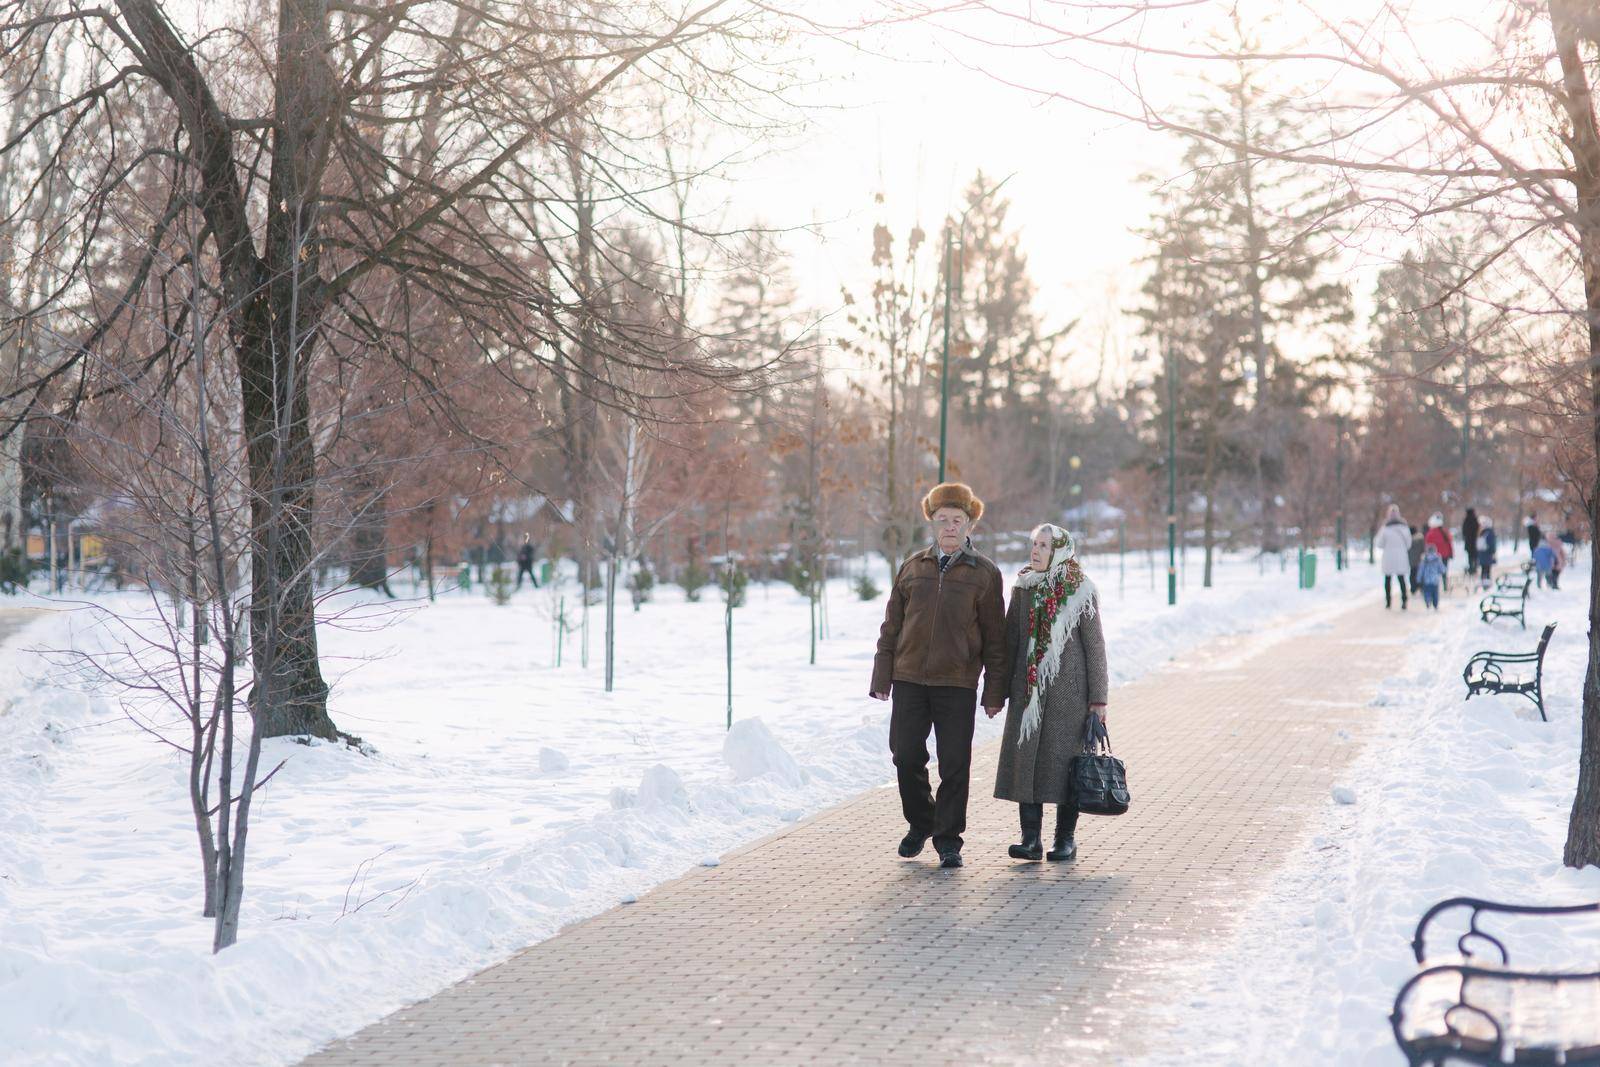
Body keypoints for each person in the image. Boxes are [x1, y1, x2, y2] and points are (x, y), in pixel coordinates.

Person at [871, 482, 1008, 869]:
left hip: (957, 683)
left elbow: (996, 638)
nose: (950, 526)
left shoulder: (984, 574)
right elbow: (891, 627)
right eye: (943, 519)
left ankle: (948, 839)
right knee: (906, 755)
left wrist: (994, 690)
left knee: (954, 764)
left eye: (957, 520)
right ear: (932, 523)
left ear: (970, 526)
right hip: (909, 679)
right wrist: (883, 677)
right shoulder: (913, 567)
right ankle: (922, 822)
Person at [993, 524, 1107, 863]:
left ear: (1060, 550)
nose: (1036, 551)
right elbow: (1010, 642)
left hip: (1068, 696)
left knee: (1064, 767)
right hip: (1028, 694)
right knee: (1027, 765)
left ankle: (1065, 841)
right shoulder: (1024, 587)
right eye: (1034, 544)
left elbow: (1095, 646)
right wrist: (998, 692)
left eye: (1044, 545)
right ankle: (1030, 841)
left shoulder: (1081, 590)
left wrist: (1098, 700)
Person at [1377, 504, 1412, 610]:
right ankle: (1404, 600)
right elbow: (1409, 543)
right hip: (1401, 557)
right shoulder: (1404, 528)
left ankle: (1388, 602)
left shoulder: (1385, 528)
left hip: (1388, 557)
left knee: (1388, 580)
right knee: (1401, 579)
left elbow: (1379, 543)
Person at [1424, 513, 1454, 592]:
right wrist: (1451, 553)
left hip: (1434, 556)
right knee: (1444, 571)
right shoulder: (1444, 532)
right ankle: (1445, 586)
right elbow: (1449, 543)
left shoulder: (1430, 534)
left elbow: (1427, 546)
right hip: (1445, 555)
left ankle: (1436, 588)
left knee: (1435, 572)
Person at [1417, 543, 1446, 610]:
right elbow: (1442, 568)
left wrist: (1419, 578)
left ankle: (1428, 600)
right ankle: (1435, 604)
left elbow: (1421, 570)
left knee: (1427, 592)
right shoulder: (1437, 559)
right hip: (1435, 580)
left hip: (1426, 580)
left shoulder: (1424, 560)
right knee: (1435, 593)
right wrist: (1444, 571)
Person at [1477, 517, 1498, 589]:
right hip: (1488, 554)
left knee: (1483, 569)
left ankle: (1483, 583)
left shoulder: (1482, 533)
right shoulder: (1490, 533)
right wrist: (1493, 552)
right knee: (1488, 569)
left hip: (1482, 554)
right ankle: (1487, 585)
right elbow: (1492, 544)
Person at [1462, 507, 1481, 578]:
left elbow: (1464, 532)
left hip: (1468, 542)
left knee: (1470, 556)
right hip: (1475, 542)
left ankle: (1471, 568)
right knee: (1475, 556)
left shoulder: (1466, 521)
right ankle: (1474, 568)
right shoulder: (1475, 520)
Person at [1407, 524, 1425, 594]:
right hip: (1419, 560)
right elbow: (1423, 549)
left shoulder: (1409, 540)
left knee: (1412, 574)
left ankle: (1413, 588)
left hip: (1411, 560)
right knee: (1420, 574)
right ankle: (1420, 587)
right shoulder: (1420, 538)